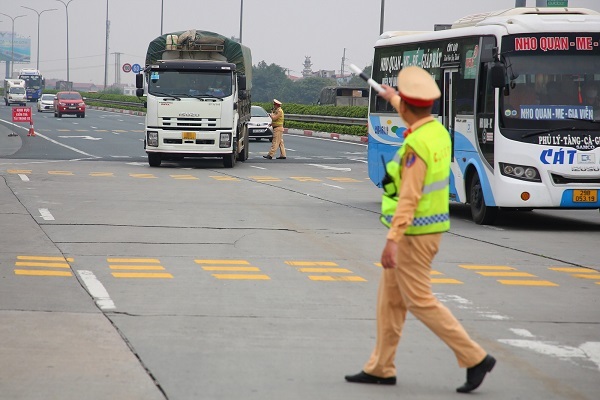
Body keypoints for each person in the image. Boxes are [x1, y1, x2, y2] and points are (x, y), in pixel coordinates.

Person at [344, 66, 496, 393]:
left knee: (419, 301)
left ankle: (475, 357)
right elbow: (412, 112)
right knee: (390, 302)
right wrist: (392, 96)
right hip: (430, 230)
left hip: (413, 235)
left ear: (408, 110)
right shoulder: (438, 132)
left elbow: (409, 199)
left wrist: (392, 241)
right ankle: (381, 367)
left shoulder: (415, 148)